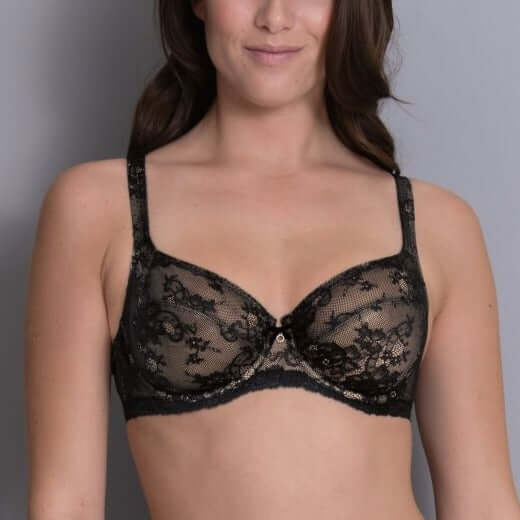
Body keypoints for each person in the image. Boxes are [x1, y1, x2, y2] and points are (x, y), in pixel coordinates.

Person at [24, 1, 520, 519]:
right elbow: (64, 503)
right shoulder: (98, 210)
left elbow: (483, 502)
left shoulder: (437, 224)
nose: (274, 17)